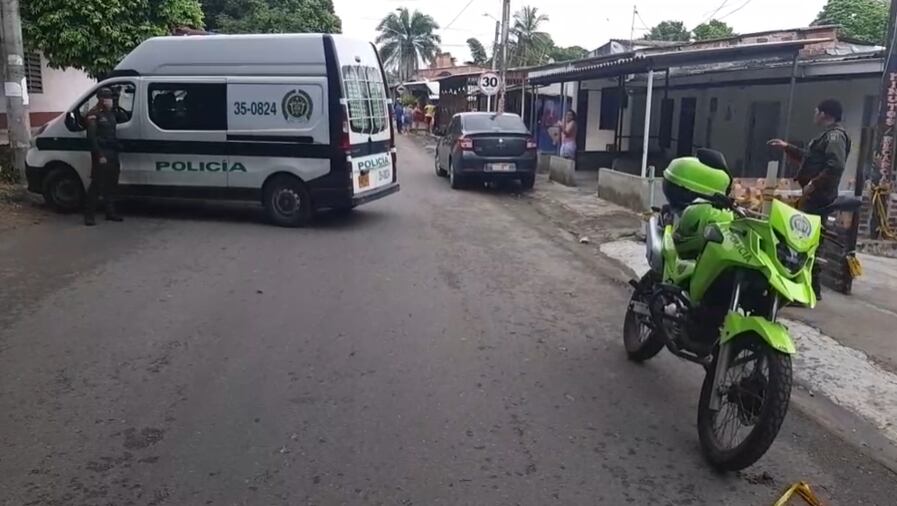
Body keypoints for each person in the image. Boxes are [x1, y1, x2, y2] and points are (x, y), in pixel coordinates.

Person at [768, 98, 852, 299]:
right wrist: (787, 147)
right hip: (814, 196)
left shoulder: (835, 137)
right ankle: (809, 289)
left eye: (817, 111)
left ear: (825, 114)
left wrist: (813, 184)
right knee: (806, 240)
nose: (814, 114)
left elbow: (835, 165)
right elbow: (812, 158)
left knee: (806, 241)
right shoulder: (827, 137)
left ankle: (811, 290)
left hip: (819, 198)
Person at [83, 87, 128, 226]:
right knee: (97, 185)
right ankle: (89, 216)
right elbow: (91, 137)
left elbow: (125, 118)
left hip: (113, 152)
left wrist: (118, 106)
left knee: (111, 184)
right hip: (101, 153)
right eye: (109, 98)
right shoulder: (93, 114)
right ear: (102, 99)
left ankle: (110, 212)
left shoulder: (111, 113)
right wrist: (99, 155)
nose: (111, 101)